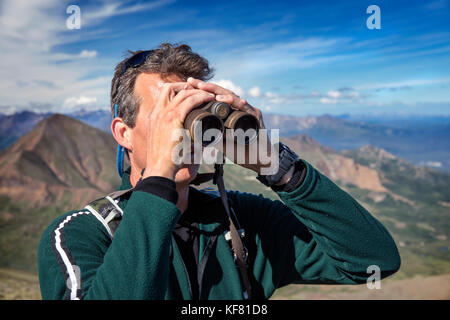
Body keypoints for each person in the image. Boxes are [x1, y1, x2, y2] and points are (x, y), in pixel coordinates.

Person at [38, 43, 400, 300]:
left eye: (194, 112)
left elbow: (372, 261)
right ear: (124, 133)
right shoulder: (80, 235)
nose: (183, 128)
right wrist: (160, 177)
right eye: (169, 113)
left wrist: (275, 164)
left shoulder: (241, 221)